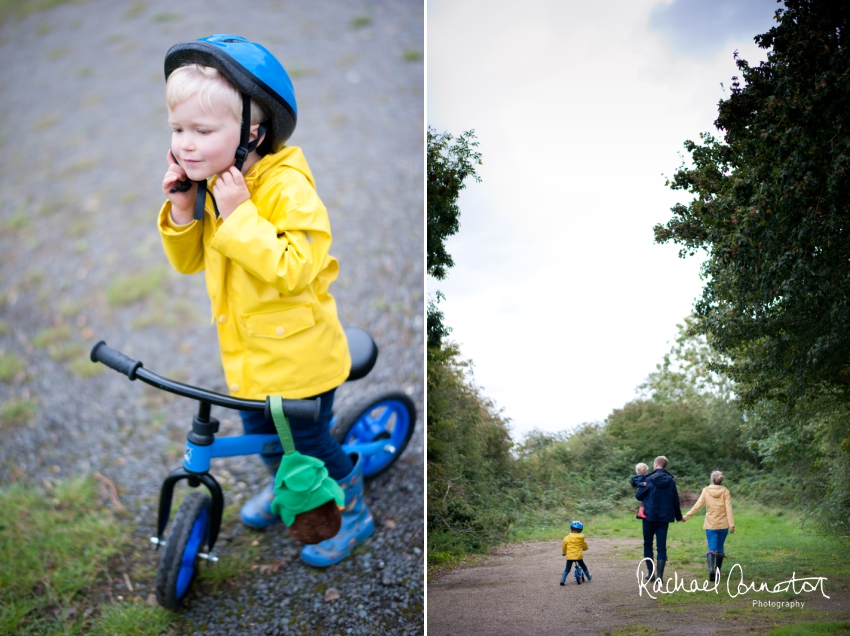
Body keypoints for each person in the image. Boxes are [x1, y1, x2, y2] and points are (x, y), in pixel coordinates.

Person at [157, 35, 370, 567]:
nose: (186, 144)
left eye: (202, 131)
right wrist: (185, 210)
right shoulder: (213, 180)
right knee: (265, 439)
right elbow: (188, 262)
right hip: (251, 357)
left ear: (252, 131)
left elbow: (296, 268)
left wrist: (239, 216)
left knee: (309, 443)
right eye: (178, 129)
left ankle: (356, 512)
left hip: (299, 362)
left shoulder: (285, 188)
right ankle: (292, 494)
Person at [635, 456, 683, 582]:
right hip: (664, 518)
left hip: (649, 517)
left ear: (656, 464)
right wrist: (678, 516)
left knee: (648, 544)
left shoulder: (648, 479)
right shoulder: (671, 481)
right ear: (664, 465)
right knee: (661, 547)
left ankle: (651, 574)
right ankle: (660, 577)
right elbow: (675, 500)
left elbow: (638, 496)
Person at [682, 470, 735, 582]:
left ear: (711, 479)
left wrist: (686, 517)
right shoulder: (725, 491)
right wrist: (731, 525)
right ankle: (718, 572)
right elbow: (729, 508)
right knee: (720, 548)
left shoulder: (706, 491)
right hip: (723, 525)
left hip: (710, 524)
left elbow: (697, 506)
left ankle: (711, 570)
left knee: (711, 547)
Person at [560, 520, 592, 585]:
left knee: (567, 569)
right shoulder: (581, 537)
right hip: (578, 556)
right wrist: (585, 549)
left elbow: (564, 546)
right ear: (580, 530)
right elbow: (584, 545)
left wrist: (564, 553)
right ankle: (588, 576)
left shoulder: (566, 538)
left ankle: (562, 580)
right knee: (583, 566)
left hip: (570, 557)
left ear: (571, 529)